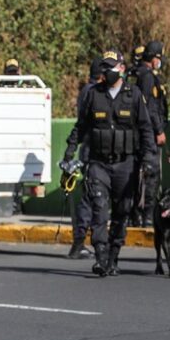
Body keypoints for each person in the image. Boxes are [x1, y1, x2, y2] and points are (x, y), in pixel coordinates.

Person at [62, 49, 156, 276]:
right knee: (99, 209)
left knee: (123, 211)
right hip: (99, 163)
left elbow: (145, 129)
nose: (107, 71)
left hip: (126, 164)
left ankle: (113, 256)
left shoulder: (133, 95)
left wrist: (149, 159)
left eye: (112, 66)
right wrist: (70, 151)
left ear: (122, 69)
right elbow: (81, 126)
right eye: (104, 66)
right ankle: (101, 256)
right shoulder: (94, 94)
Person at [64, 56, 104, 259]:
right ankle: (80, 242)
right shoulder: (92, 93)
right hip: (92, 150)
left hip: (91, 149)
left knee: (93, 198)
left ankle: (84, 241)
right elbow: (83, 125)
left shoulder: (86, 91)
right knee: (90, 199)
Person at [131, 40, 168, 227]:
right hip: (148, 136)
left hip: (143, 134)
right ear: (154, 58)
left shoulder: (143, 75)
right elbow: (150, 107)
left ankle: (139, 215)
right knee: (150, 175)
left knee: (144, 175)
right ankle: (145, 216)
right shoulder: (146, 77)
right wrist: (159, 130)